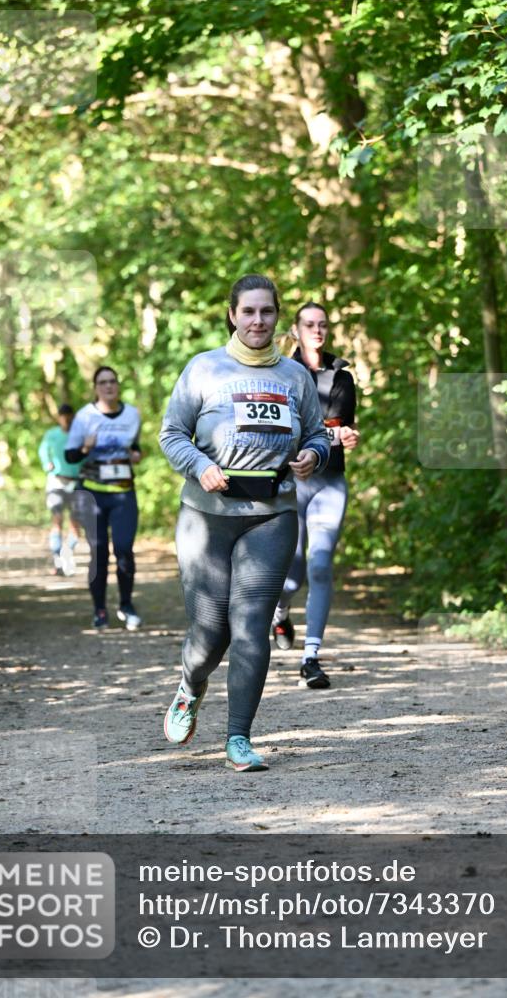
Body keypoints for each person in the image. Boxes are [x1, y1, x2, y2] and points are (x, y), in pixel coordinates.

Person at [159, 274, 330, 772]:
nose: (258, 321)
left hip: (271, 514)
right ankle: (191, 685)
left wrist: (312, 457)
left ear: (279, 317)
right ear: (233, 315)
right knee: (211, 633)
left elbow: (318, 435)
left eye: (267, 312)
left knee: (252, 625)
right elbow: (172, 434)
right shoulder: (204, 369)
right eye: (249, 312)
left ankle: (239, 737)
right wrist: (200, 465)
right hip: (207, 517)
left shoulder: (294, 377)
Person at [271, 302, 360, 689]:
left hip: (330, 483)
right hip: (292, 485)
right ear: (296, 328)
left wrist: (348, 436)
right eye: (310, 324)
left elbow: (341, 427)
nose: (317, 330)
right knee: (292, 574)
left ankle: (310, 658)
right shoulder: (281, 372)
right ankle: (281, 611)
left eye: (323, 324)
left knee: (321, 565)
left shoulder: (341, 375)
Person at [65, 367, 142, 631]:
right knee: (99, 553)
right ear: (95, 387)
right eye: (102, 383)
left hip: (123, 492)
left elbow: (135, 447)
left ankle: (126, 605)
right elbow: (70, 456)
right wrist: (86, 447)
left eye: (112, 382)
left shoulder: (132, 414)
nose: (108, 386)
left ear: (118, 386)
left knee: (123, 549)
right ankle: (99, 610)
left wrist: (136, 455)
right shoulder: (85, 416)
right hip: (92, 493)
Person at [38, 404, 83, 575]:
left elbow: (85, 454)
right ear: (59, 418)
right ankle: (57, 558)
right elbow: (43, 451)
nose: (66, 419)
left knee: (75, 524)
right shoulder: (52, 435)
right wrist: (46, 463)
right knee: (57, 520)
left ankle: (67, 554)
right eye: (63, 416)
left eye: (69, 415)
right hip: (56, 482)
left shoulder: (79, 435)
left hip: (76, 482)